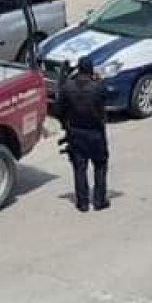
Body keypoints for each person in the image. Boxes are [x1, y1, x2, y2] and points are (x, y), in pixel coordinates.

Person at [56, 57, 110, 212]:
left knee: (79, 167)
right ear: (91, 70)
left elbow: (58, 110)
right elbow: (108, 96)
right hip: (96, 133)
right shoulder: (98, 87)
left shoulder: (67, 87)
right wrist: (100, 81)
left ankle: (83, 203)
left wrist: (66, 125)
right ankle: (99, 200)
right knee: (100, 164)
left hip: (76, 133)